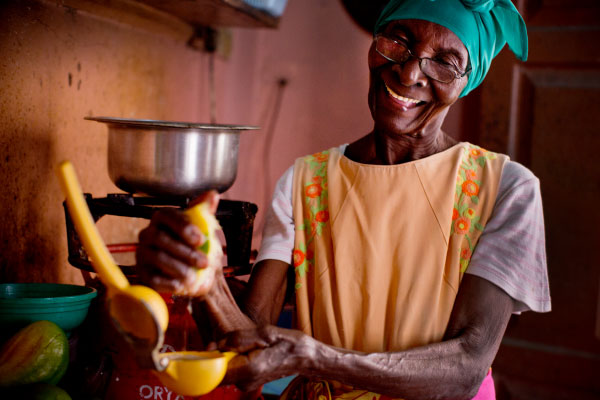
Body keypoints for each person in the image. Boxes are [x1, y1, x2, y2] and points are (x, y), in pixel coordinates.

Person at [136, 0, 551, 398]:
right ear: (374, 43)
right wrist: (206, 284)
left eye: (444, 62)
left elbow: (466, 366)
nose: (409, 74)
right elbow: (247, 340)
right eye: (398, 41)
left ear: (466, 82)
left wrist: (317, 358)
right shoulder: (306, 182)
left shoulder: (506, 190)